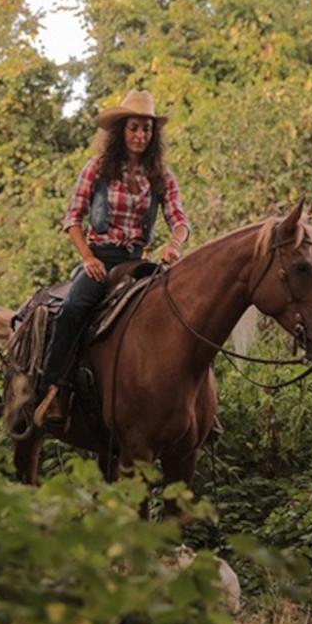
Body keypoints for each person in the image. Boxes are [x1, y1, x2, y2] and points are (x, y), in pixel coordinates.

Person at [35, 90, 190, 424]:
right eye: (134, 128)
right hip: (101, 260)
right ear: (122, 131)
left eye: (147, 129)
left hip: (140, 261)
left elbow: (180, 221)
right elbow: (72, 218)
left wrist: (174, 245)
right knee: (73, 309)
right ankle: (52, 392)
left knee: (183, 313)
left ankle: (193, 405)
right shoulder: (98, 169)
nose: (140, 135)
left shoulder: (161, 177)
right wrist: (88, 258)